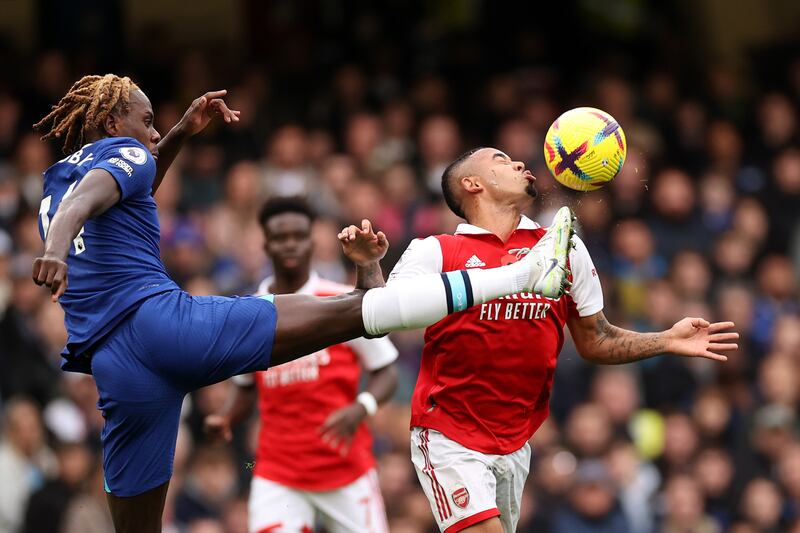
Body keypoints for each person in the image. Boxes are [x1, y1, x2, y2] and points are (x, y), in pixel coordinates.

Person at [30, 74, 583, 532]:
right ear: (111, 125)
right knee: (357, 310)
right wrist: (54, 253)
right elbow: (100, 190)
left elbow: (114, 189)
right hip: (164, 326)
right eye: (145, 121)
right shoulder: (117, 159)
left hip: (116, 367)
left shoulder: (55, 185)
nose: (150, 134)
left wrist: (175, 134)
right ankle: (522, 274)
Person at [386, 146, 739, 533]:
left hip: (515, 441)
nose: (519, 163)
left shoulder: (562, 246)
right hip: (448, 433)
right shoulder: (436, 251)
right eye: (500, 160)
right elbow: (387, 311)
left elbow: (596, 340)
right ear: (472, 184)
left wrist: (666, 339)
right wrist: (371, 267)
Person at [204, 197, 397, 532]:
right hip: (278, 474)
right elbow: (247, 386)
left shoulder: (340, 300)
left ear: (312, 241)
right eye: (281, 237)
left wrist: (361, 407)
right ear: (266, 244)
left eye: (299, 235)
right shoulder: (250, 311)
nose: (290, 244)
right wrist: (226, 417)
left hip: (346, 468)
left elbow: (387, 370)